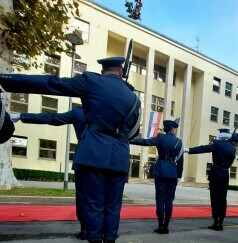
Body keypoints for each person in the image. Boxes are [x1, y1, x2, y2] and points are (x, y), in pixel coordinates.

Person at [0, 57, 141, 243]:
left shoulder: (91, 81)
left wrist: (6, 79)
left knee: (93, 206)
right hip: (120, 157)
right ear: (121, 72)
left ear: (103, 71)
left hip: (93, 153)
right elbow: (134, 133)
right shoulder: (134, 99)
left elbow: (51, 83)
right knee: (113, 207)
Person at [10, 107, 88, 239]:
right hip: (108, 161)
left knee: (83, 197)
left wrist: (20, 116)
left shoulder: (79, 112)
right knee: (104, 197)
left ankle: (86, 230)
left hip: (85, 160)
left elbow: (52, 118)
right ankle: (104, 233)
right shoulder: (112, 111)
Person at [130, 120, 184, 235]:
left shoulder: (160, 137)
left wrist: (131, 140)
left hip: (160, 171)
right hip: (173, 172)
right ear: (173, 129)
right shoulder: (179, 142)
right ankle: (166, 226)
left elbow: (146, 142)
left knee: (160, 198)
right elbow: (180, 162)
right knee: (169, 200)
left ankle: (160, 226)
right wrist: (179, 176)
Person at [185, 128, 236, 231]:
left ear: (221, 135)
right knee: (223, 199)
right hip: (225, 173)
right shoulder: (232, 147)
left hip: (216, 173)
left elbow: (204, 148)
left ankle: (215, 222)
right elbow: (231, 162)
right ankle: (221, 222)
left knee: (215, 199)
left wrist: (190, 150)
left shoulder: (217, 144)